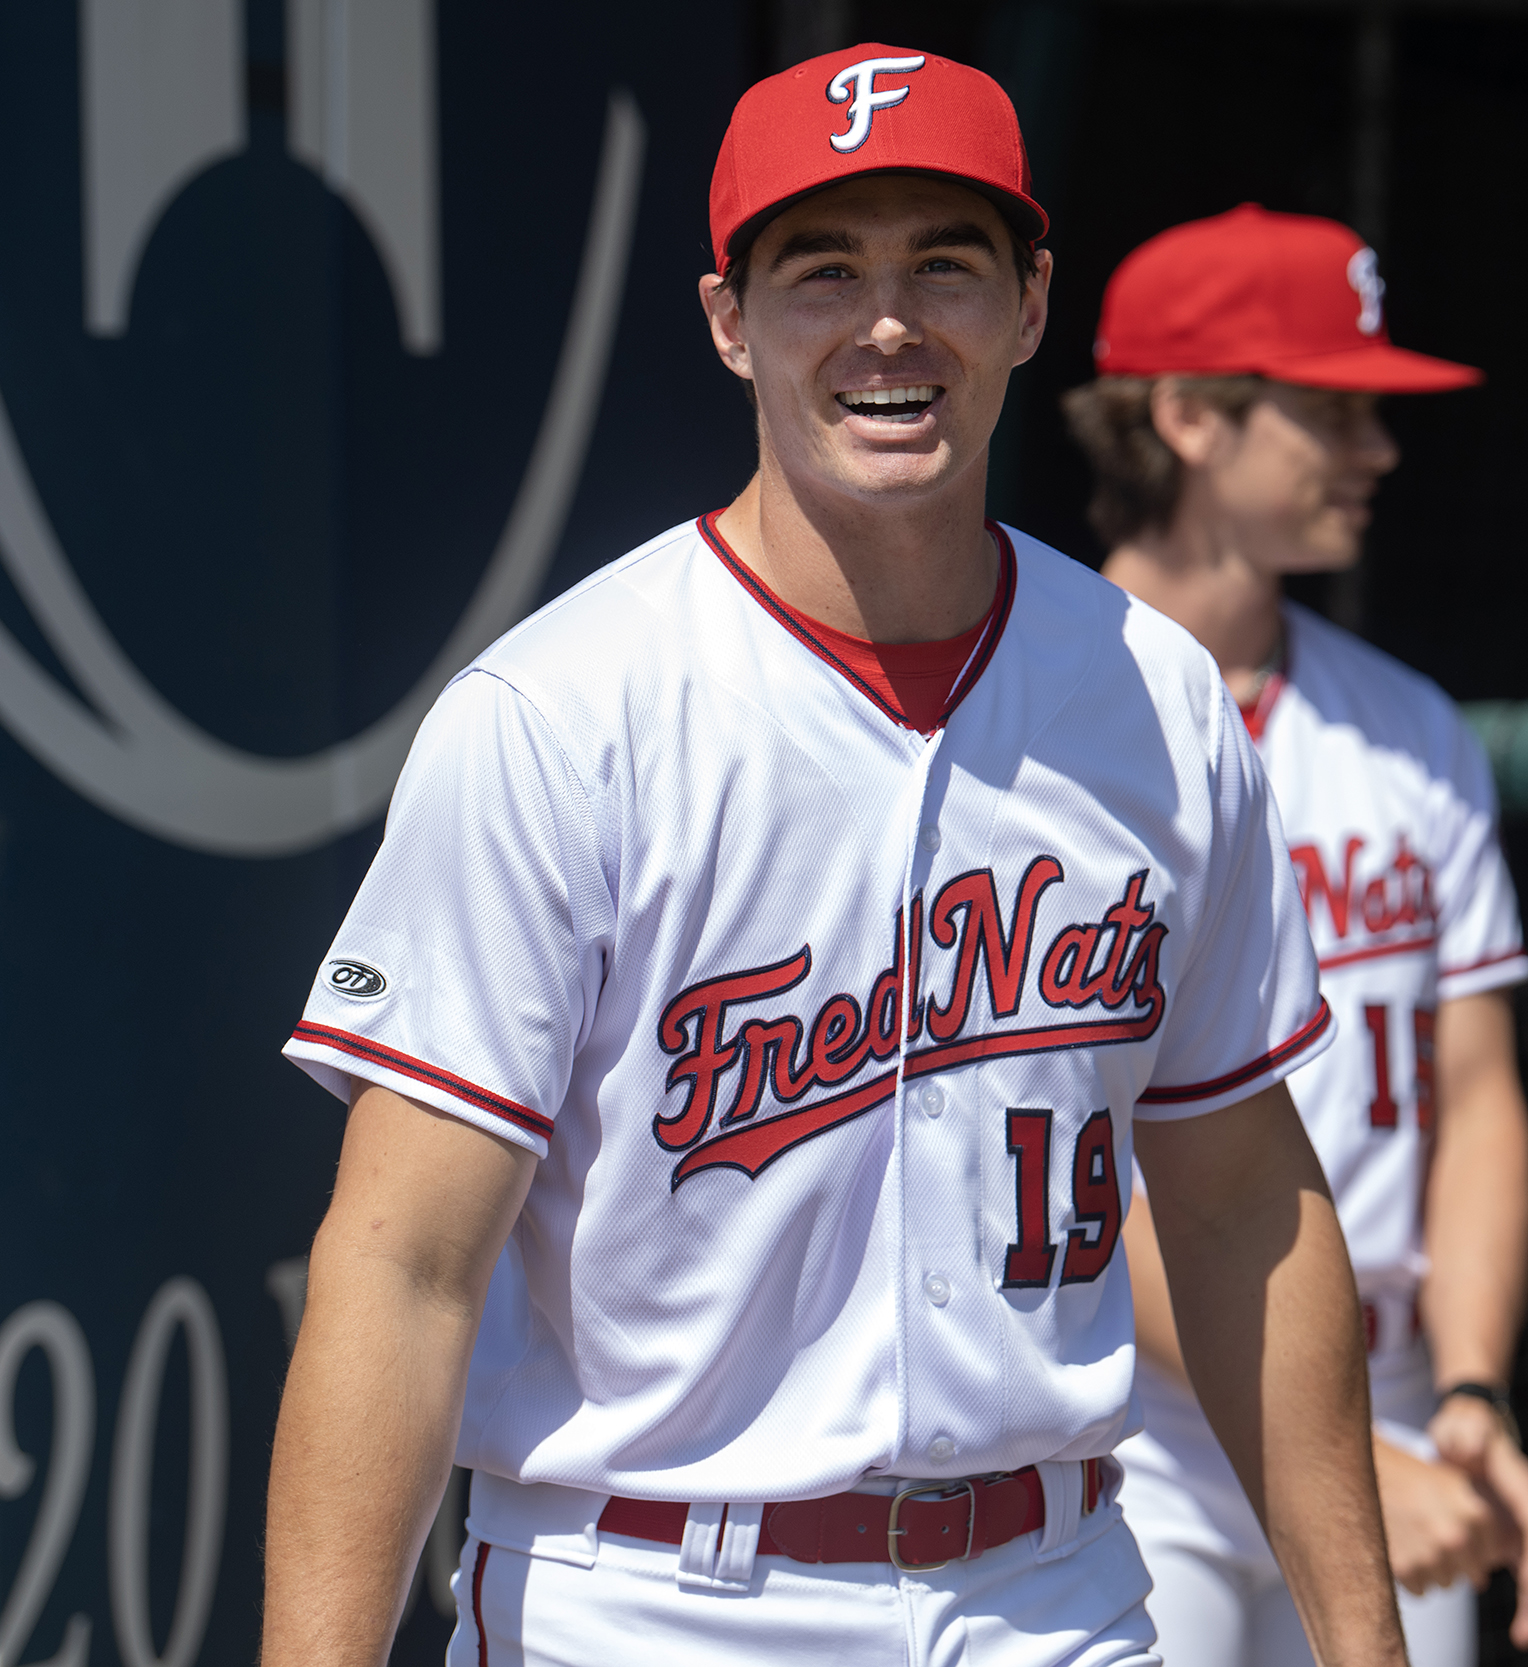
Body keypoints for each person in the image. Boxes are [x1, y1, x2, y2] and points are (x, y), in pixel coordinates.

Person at [263, 51, 1408, 1667]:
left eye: (945, 265)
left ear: (1030, 305)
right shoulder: (562, 715)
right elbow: (403, 1267)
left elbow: (1244, 1212)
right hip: (656, 1599)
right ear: (729, 320)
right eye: (822, 272)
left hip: (1053, 1593)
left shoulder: (1155, 701)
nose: (889, 327)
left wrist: (1367, 1646)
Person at [1065, 205, 1528, 1667]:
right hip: (1127, 1423)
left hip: (1395, 1398)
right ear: (1190, 417)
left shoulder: (1408, 728)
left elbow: (1479, 1096)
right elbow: (1057, 1150)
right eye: (1333, 413)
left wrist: (1470, 1395)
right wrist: (1336, 1436)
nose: (1379, 450)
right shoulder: (1042, 718)